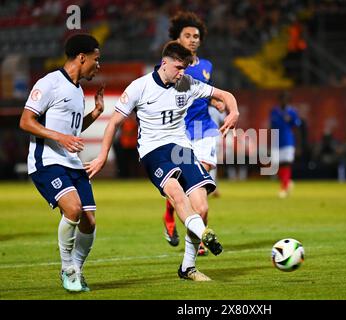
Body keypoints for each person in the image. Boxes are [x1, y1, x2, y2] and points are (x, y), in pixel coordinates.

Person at [85, 41, 239, 281]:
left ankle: (188, 268)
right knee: (177, 194)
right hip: (153, 151)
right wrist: (103, 156)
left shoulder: (186, 83)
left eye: (185, 68)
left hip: (181, 147)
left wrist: (234, 112)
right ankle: (204, 233)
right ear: (164, 63)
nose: (182, 73)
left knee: (202, 207)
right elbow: (114, 122)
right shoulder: (140, 87)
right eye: (178, 67)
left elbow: (224, 95)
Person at [19, 33, 104, 292]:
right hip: (47, 160)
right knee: (74, 208)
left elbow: (73, 132)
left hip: (71, 162)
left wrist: (95, 114)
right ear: (81, 57)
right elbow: (26, 121)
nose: (98, 65)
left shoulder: (78, 91)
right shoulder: (50, 83)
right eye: (96, 59)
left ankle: (77, 269)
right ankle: (68, 269)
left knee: (89, 221)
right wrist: (59, 137)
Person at [161, 11, 226, 254]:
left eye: (196, 36)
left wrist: (215, 102)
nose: (193, 39)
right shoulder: (169, 66)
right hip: (179, 131)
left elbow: (201, 94)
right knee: (183, 182)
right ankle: (170, 216)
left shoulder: (207, 66)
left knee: (201, 179)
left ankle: (199, 239)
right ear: (177, 39)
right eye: (187, 35)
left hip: (205, 129)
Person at [270, 91, 302, 198]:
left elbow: (297, 128)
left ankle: (283, 188)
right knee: (276, 165)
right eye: (282, 99)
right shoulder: (274, 111)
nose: (284, 101)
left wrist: (297, 144)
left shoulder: (292, 112)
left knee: (286, 163)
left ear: (288, 100)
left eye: (286, 99)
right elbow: (271, 127)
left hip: (288, 141)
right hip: (276, 141)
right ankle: (287, 181)